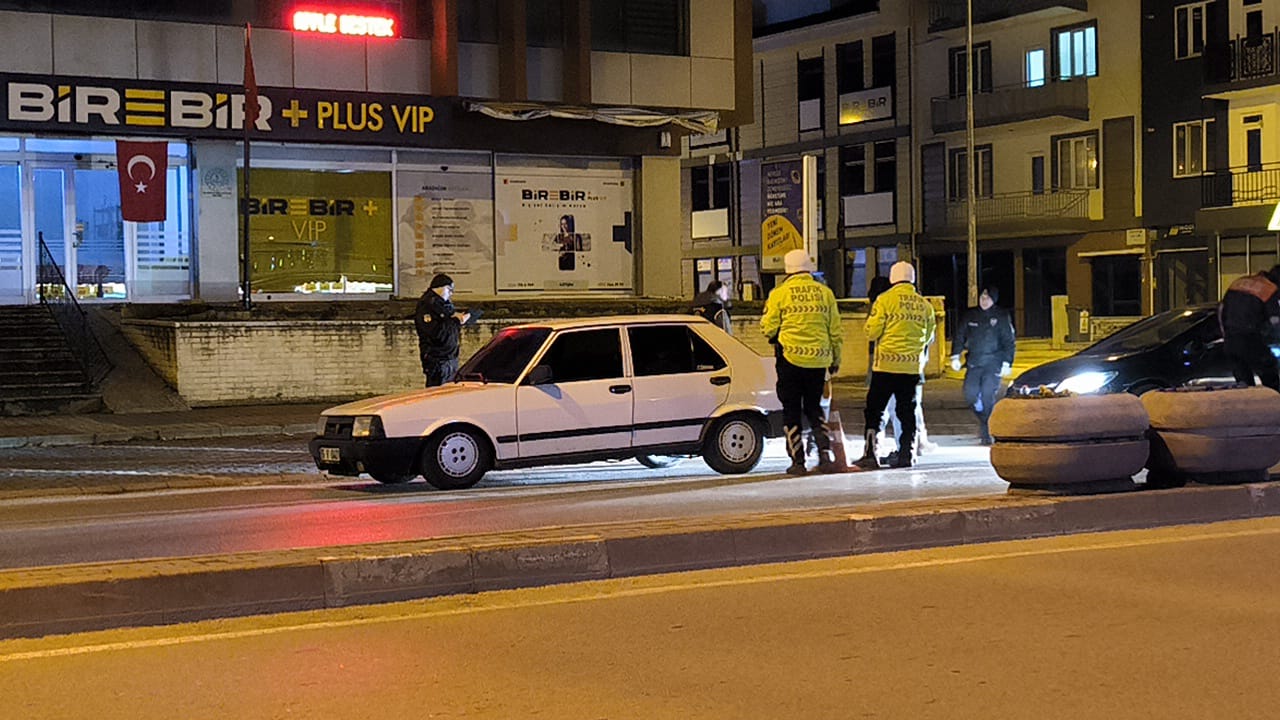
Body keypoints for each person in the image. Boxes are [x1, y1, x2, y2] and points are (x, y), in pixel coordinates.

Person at [761, 249, 844, 475]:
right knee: (814, 408)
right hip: (818, 361)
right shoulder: (825, 293)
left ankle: (798, 461)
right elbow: (835, 331)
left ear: (787, 269)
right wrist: (835, 359)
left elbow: (768, 327)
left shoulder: (780, 293)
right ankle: (824, 455)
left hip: (790, 360)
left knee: (791, 411)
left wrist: (775, 335)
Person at [856, 260, 936, 469]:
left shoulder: (884, 300)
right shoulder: (925, 305)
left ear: (892, 278)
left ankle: (871, 454)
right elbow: (929, 337)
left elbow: (872, 331)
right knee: (907, 412)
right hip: (911, 369)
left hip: (885, 367)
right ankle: (906, 454)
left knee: (875, 411)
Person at [949, 285, 1017, 445]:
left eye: (987, 298)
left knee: (988, 395)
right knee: (970, 394)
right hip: (974, 362)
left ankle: (987, 432)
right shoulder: (971, 315)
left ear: (993, 300)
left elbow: (1009, 341)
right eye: (982, 297)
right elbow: (959, 335)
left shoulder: (1001, 316)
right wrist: (955, 355)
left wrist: (1008, 362)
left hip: (993, 363)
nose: (984, 300)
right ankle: (985, 418)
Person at [1218, 264, 1280, 391]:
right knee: (1270, 378)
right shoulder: (1269, 288)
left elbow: (1220, 310)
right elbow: (1275, 320)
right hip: (1250, 339)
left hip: (1230, 340)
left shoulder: (1238, 282)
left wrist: (1225, 334)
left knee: (1244, 384)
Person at [415, 273, 470, 387]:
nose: (451, 293)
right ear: (440, 287)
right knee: (437, 393)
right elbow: (436, 333)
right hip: (438, 359)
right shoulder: (428, 305)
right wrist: (455, 321)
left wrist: (458, 318)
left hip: (449, 357)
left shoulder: (443, 304)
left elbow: (448, 324)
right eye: (449, 289)